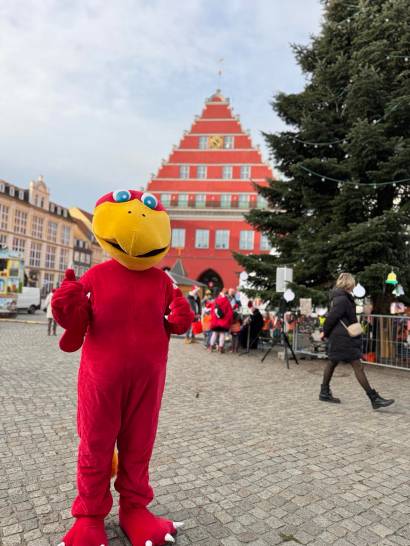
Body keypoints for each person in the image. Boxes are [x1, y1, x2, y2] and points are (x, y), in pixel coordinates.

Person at [320, 272, 395, 409]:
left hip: (339, 336)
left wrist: (326, 332)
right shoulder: (342, 299)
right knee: (357, 365)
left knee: (332, 362)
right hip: (343, 337)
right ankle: (373, 398)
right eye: (352, 284)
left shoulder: (340, 297)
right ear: (349, 284)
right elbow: (331, 318)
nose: (353, 286)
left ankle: (324, 392)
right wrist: (324, 332)